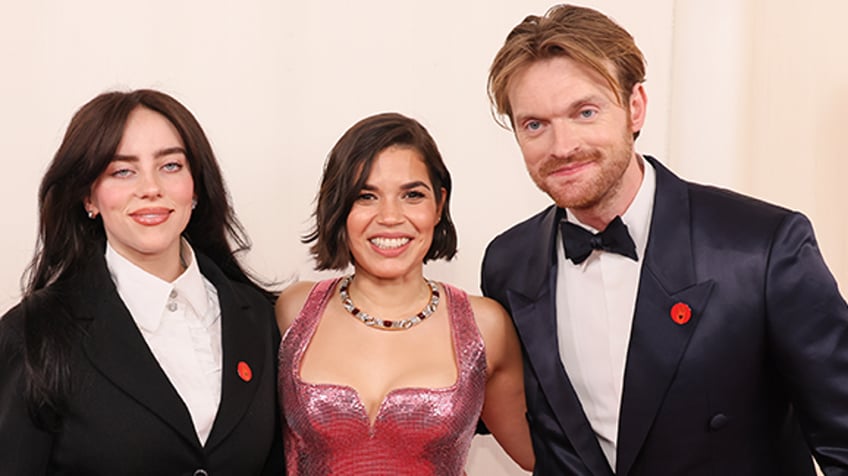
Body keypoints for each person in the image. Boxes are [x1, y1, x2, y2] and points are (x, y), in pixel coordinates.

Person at [481, 4, 848, 476]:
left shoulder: (762, 247)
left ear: (635, 106)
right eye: (535, 124)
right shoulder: (507, 263)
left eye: (585, 111)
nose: (562, 146)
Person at [0, 89, 283, 475]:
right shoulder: (35, 332)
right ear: (89, 198)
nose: (151, 188)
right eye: (122, 171)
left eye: (170, 166)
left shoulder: (257, 319)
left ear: (196, 186)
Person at [275, 112, 534, 474]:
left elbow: (545, 457)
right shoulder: (294, 311)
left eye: (412, 195)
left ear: (439, 205)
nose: (391, 217)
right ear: (340, 206)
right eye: (366, 196)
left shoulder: (485, 326)